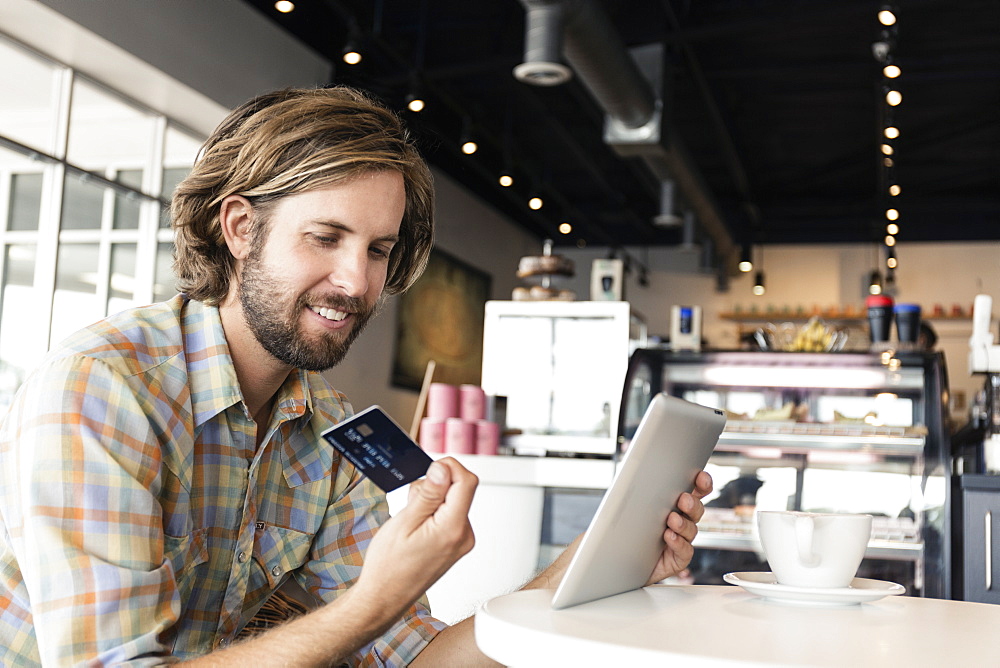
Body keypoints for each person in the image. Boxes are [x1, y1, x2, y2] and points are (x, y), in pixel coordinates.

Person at [0, 86, 712, 666]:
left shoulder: (330, 430)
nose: (356, 280)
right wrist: (373, 598)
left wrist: (581, 570)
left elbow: (414, 662)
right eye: (327, 237)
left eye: (378, 249)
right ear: (241, 228)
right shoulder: (103, 388)